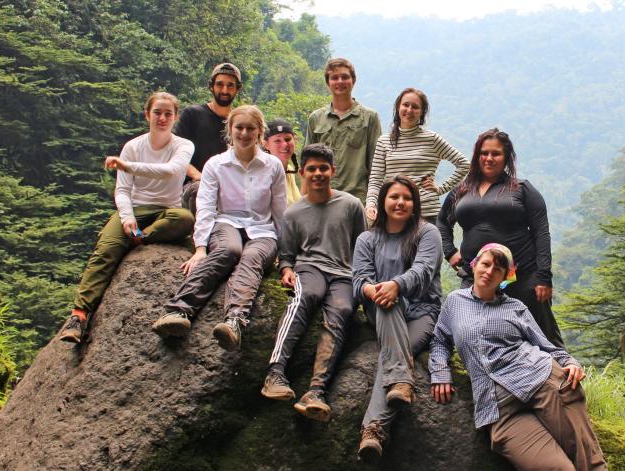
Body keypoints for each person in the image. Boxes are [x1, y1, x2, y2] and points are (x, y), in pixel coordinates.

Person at [429, 244, 606, 471]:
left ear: (505, 277)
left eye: (498, 268)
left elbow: (545, 345)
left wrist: (570, 363)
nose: (489, 271)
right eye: (485, 264)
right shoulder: (455, 302)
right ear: (474, 266)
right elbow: (440, 340)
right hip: (499, 409)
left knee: (590, 463)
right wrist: (441, 373)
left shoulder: (515, 307)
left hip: (544, 382)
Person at [58, 92, 195, 344]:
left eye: (168, 114)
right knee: (106, 250)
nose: (162, 118)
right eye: (157, 113)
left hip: (167, 209)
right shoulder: (133, 147)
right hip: (135, 207)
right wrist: (127, 217)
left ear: (175, 117)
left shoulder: (183, 145)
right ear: (147, 115)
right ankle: (78, 315)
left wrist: (127, 166)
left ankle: (139, 240)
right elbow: (122, 190)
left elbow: (171, 172)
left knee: (185, 218)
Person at [151, 105, 286, 350]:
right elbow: (206, 207)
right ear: (230, 130)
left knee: (252, 257)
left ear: (259, 132)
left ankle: (234, 321)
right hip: (226, 222)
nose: (244, 133)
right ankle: (179, 311)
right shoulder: (216, 165)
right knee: (229, 251)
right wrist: (200, 248)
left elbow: (279, 210)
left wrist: (285, 253)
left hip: (263, 229)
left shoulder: (273, 166)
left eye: (250, 128)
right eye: (239, 128)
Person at [260, 143, 367, 422]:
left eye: (323, 168)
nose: (318, 173)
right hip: (310, 267)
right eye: (311, 169)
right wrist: (285, 269)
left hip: (344, 273)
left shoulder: (351, 205)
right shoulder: (294, 213)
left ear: (333, 170)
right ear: (303, 172)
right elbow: (287, 253)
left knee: (343, 310)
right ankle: (275, 373)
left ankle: (316, 392)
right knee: (305, 297)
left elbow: (362, 246)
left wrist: (363, 278)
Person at [437, 128, 564, 347]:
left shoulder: (522, 189)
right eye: (484, 153)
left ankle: (565, 373)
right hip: (477, 276)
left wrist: (543, 277)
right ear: (477, 155)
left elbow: (541, 232)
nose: (489, 158)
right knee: (467, 328)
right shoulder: (462, 190)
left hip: (523, 276)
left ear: (506, 158)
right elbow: (442, 222)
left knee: (542, 333)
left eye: (495, 153)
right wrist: (450, 251)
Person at [352, 176, 443, 461]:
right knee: (387, 306)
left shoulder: (427, 233)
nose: (400, 202)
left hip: (422, 311)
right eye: (394, 197)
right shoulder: (367, 238)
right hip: (383, 309)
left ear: (415, 203)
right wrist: (373, 289)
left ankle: (372, 430)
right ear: (383, 202)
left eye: (406, 197)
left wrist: (396, 285)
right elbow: (358, 281)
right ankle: (401, 381)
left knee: (391, 354)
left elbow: (424, 270)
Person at [365, 88, 469, 225]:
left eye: (415, 107)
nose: (409, 110)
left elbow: (464, 164)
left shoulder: (432, 139)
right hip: (394, 212)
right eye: (405, 105)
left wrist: (440, 189)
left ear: (422, 112)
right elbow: (376, 179)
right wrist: (371, 204)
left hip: (426, 213)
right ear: (398, 107)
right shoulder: (384, 141)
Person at [305, 57, 381, 205]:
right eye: (334, 78)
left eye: (345, 77)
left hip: (358, 199)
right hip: (322, 197)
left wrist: (373, 202)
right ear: (328, 83)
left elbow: (376, 164)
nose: (340, 81)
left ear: (353, 80)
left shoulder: (369, 117)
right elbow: (307, 161)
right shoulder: (316, 118)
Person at [175, 63, 243, 212]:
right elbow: (175, 154)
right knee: (202, 191)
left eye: (230, 85)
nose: (224, 90)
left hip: (229, 186)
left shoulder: (239, 124)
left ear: (238, 89)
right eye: (220, 84)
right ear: (211, 86)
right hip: (194, 185)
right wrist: (200, 177)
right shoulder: (193, 114)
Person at [262, 118, 303, 205]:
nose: (284, 145)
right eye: (277, 141)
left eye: (288, 139)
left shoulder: (289, 170)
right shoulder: (263, 173)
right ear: (265, 144)